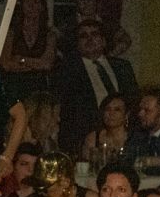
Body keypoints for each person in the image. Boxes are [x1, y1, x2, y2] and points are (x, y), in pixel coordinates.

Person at [55, 18, 137, 158]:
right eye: (84, 36)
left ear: (104, 40)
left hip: (124, 135)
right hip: (87, 137)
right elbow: (67, 109)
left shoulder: (122, 66)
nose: (90, 39)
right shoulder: (67, 70)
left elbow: (134, 99)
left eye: (95, 34)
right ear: (77, 43)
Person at [81, 93, 131, 167]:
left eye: (117, 110)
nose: (111, 113)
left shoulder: (134, 138)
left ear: (126, 115)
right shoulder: (93, 138)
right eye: (108, 109)